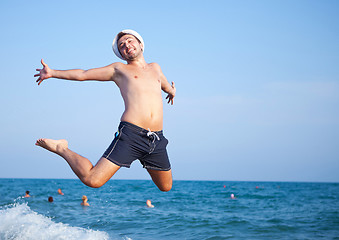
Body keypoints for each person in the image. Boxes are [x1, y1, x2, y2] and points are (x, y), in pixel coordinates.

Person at [34, 29, 175, 192]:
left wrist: (172, 91)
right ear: (121, 54)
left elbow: (164, 84)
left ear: (140, 44)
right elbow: (83, 74)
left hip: (156, 139)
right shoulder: (119, 69)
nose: (126, 46)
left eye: (130, 41)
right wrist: (52, 73)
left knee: (166, 187)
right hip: (132, 135)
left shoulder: (155, 68)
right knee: (92, 179)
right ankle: (62, 148)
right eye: (122, 45)